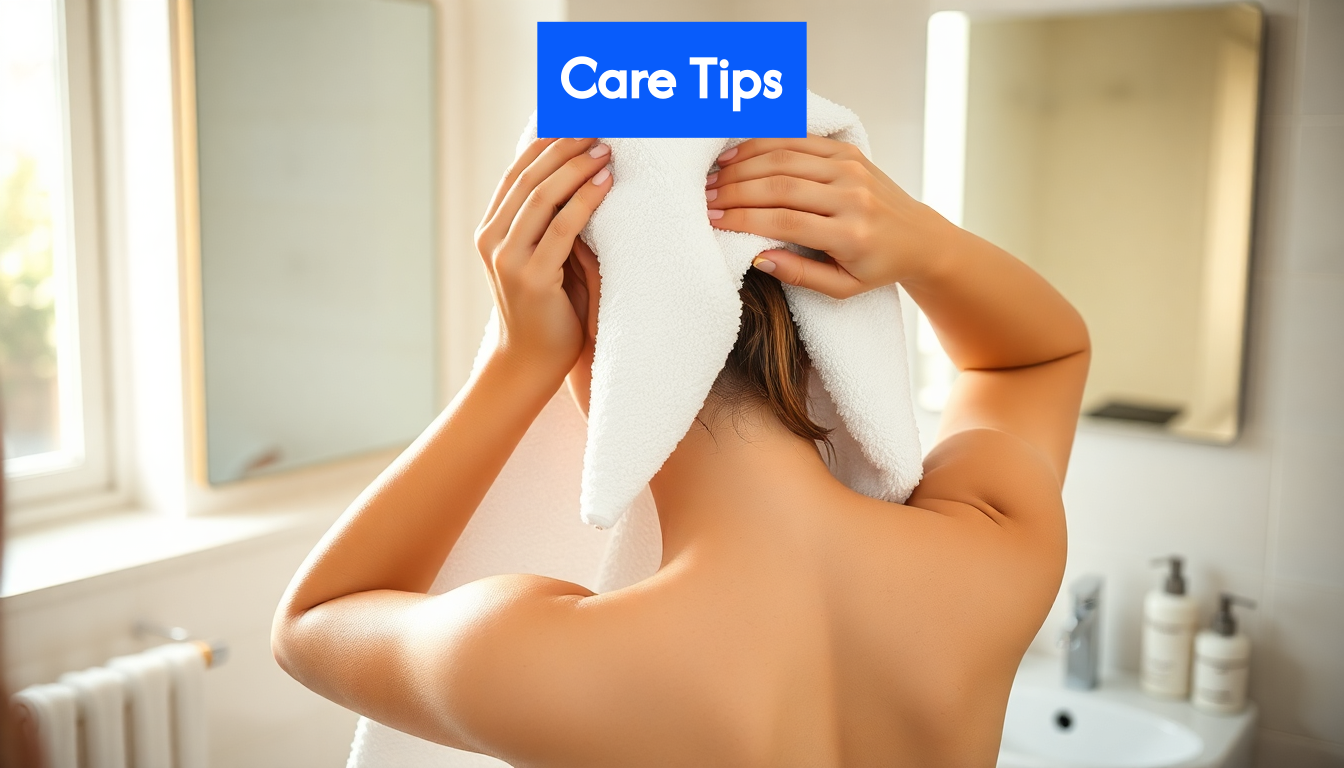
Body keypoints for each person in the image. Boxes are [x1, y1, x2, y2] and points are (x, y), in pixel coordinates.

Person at [272, 135, 1089, 767]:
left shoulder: (562, 665)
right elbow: (1038, 358)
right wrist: (926, 242)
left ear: (602, 341)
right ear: (829, 336)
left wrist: (515, 363)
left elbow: (313, 622)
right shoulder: (995, 543)